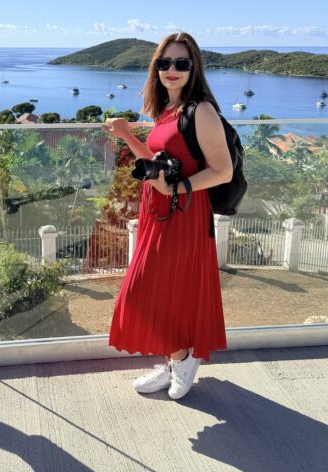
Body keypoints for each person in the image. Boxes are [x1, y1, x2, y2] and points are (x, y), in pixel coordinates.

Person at [102, 32, 232, 400]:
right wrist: (127, 135)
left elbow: (223, 171)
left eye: (181, 63)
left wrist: (174, 190)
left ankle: (182, 358)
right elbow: (155, 161)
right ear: (155, 68)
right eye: (164, 63)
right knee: (164, 292)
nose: (171, 70)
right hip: (157, 211)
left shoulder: (201, 110)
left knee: (142, 292)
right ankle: (174, 359)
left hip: (184, 213)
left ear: (194, 68)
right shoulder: (165, 111)